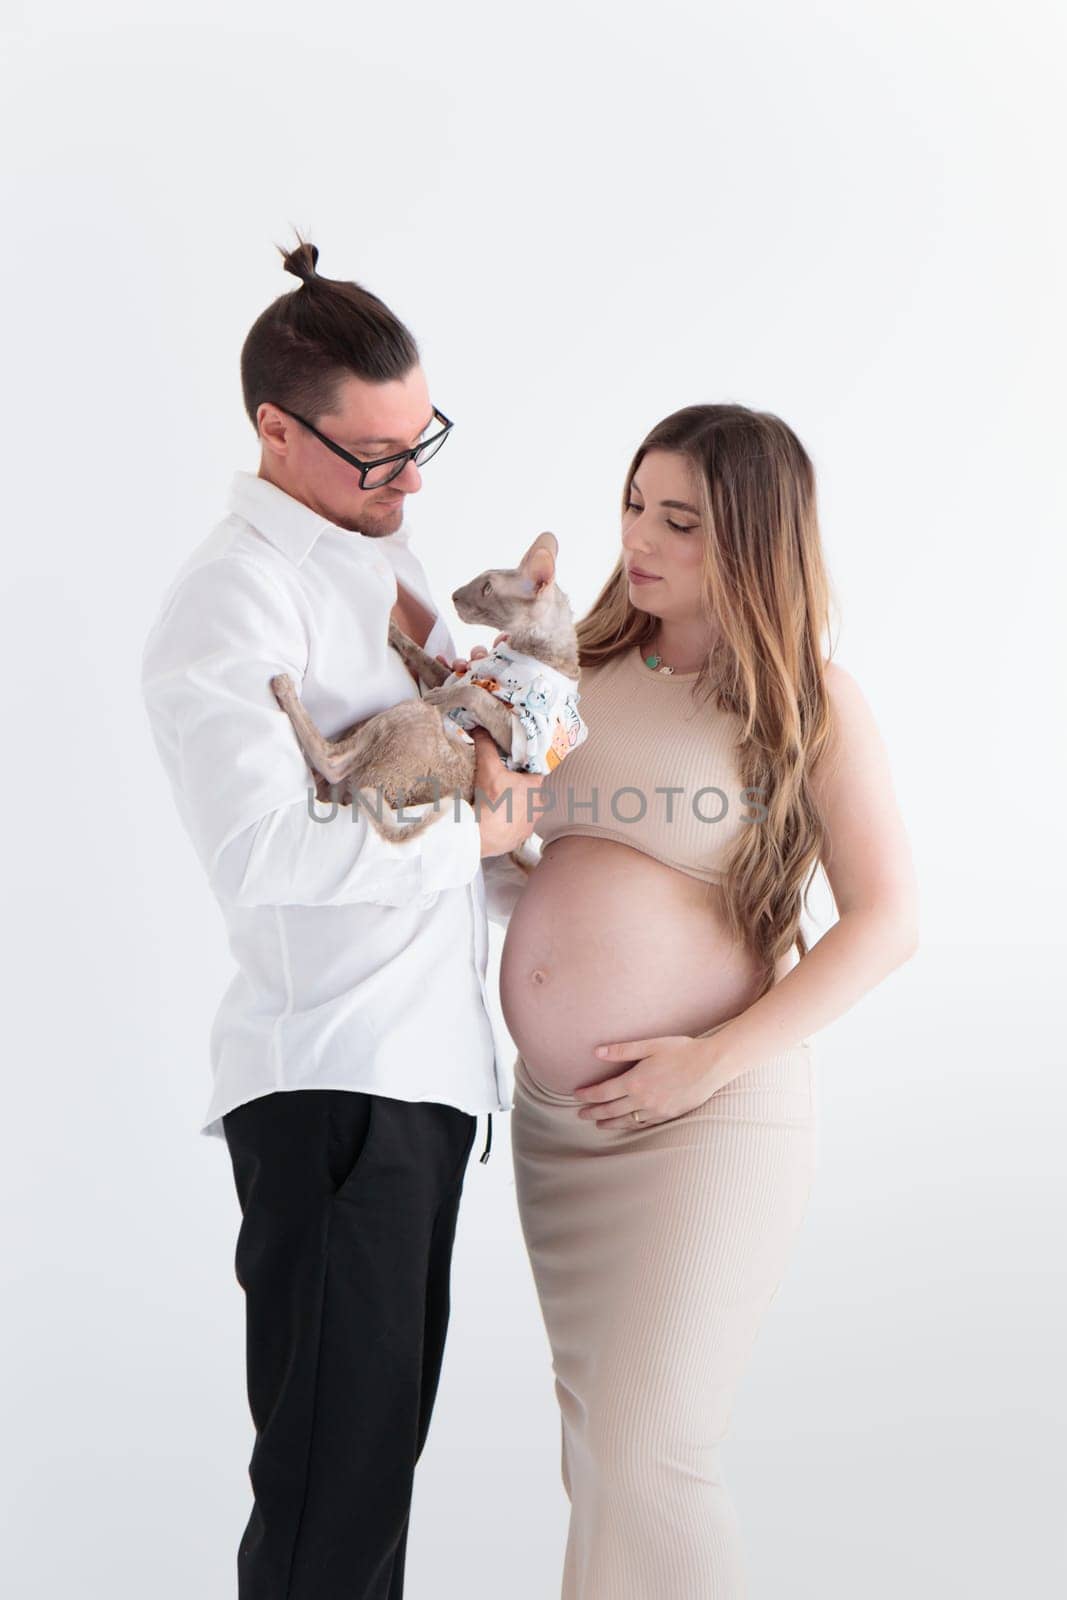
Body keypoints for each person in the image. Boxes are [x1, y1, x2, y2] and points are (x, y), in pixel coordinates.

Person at [446, 406, 920, 1596]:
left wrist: (705, 1064)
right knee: (602, 1453)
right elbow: (523, 867)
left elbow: (886, 920)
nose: (638, 538)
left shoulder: (806, 698)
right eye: (632, 505)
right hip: (566, 1126)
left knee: (651, 1447)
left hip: (708, 1116)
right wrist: (485, 778)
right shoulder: (580, 670)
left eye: (679, 520)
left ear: (752, 540)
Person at [139, 233, 543, 1600]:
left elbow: (475, 735)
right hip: (333, 1088)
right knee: (328, 1507)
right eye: (375, 454)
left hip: (417, 1083)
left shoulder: (387, 559)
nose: (409, 477)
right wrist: (469, 833)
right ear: (273, 428)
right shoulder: (231, 601)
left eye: (418, 436)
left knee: (365, 1495)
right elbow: (259, 848)